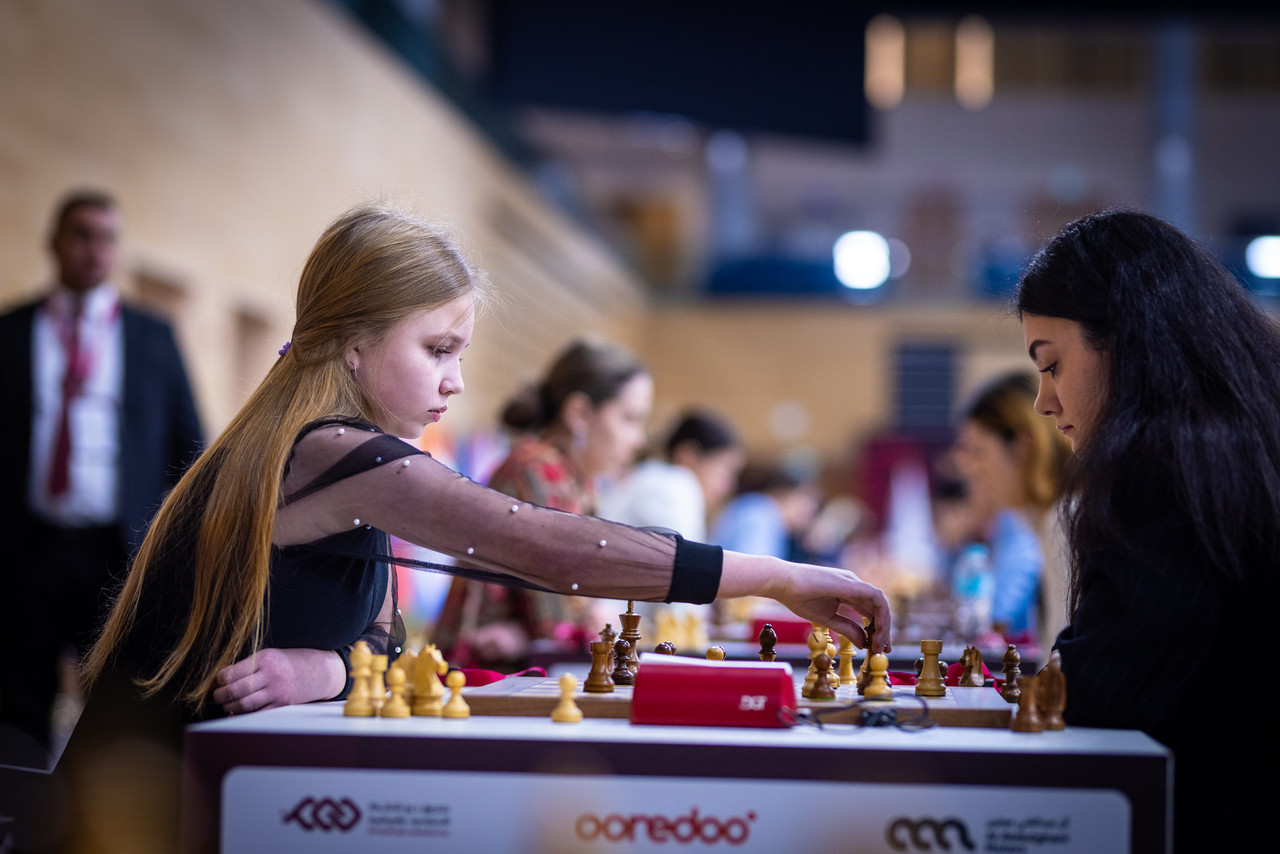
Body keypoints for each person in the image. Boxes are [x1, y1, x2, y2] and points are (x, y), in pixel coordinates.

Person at [35, 204, 891, 853]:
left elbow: (384, 634)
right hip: (126, 815)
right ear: (355, 345)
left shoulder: (332, 458)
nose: (455, 381)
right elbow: (545, 546)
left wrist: (324, 667)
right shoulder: (334, 452)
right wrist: (778, 577)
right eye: (437, 350)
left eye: (461, 354)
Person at [1015, 207, 1277, 852]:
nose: (1044, 401)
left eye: (1052, 365)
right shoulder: (1240, 438)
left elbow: (1098, 693)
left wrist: (1062, 668)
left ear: (1125, 342)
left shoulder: (1166, 467)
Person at [0, 190, 202, 769]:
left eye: (107, 238)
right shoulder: (12, 331)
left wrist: (177, 548)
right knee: (17, 704)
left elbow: (190, 447)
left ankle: (100, 816)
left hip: (118, 551)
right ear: (54, 243)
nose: (95, 249)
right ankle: (18, 812)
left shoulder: (151, 335)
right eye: (82, 235)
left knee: (118, 705)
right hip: (26, 547)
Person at [432, 338, 654, 670]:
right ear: (579, 413)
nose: (640, 439)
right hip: (479, 678)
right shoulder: (538, 471)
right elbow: (560, 626)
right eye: (629, 419)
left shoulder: (576, 480)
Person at [950, 372, 1070, 645]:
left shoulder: (1065, 521)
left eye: (979, 452)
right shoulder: (1038, 518)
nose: (971, 469)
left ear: (1022, 446)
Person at [598, 408, 744, 542]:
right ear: (689, 455)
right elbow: (685, 559)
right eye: (725, 468)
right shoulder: (677, 486)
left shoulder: (651, 474)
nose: (729, 484)